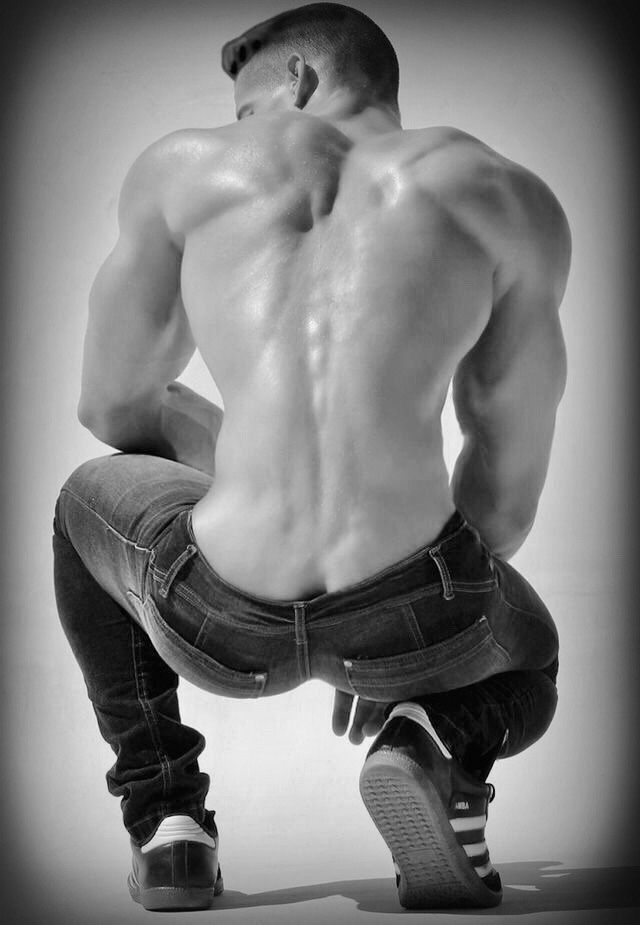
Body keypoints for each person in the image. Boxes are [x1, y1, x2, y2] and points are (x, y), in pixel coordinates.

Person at [53, 1, 570, 913]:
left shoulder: (184, 168)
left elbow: (111, 406)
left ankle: (169, 825)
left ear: (296, 79)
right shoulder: (506, 196)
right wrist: (407, 642)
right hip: (416, 612)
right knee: (535, 657)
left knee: (81, 503)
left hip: (217, 613)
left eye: (248, 111)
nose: (243, 131)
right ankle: (432, 735)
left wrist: (243, 460)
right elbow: (502, 505)